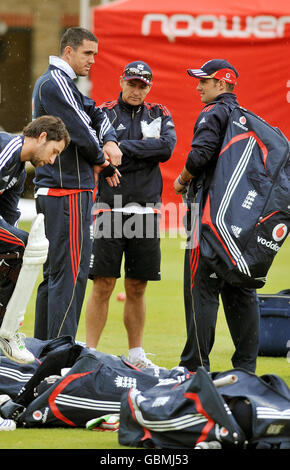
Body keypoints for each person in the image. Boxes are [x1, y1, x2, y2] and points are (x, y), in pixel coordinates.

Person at [32, 27, 122, 340]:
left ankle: (43, 351)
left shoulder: (64, 84)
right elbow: (82, 128)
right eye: (88, 53)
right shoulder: (54, 83)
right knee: (69, 275)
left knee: (57, 276)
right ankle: (60, 355)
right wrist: (103, 159)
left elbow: (96, 112)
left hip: (64, 190)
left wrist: (109, 138)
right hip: (66, 189)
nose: (93, 60)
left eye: (95, 54)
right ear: (68, 52)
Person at [86, 60, 177, 368]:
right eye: (132, 84)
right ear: (121, 81)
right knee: (103, 283)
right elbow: (98, 150)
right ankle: (91, 352)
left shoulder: (160, 113)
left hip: (146, 209)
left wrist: (123, 149)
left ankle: (137, 355)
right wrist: (141, 150)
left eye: (143, 85)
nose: (137, 90)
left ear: (149, 87)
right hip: (109, 207)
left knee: (137, 286)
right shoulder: (104, 112)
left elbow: (166, 149)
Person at [174, 59, 260, 373]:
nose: (198, 87)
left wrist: (182, 180)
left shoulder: (213, 112)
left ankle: (194, 367)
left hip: (207, 216)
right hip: (241, 220)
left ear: (220, 84)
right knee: (241, 289)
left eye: (204, 82)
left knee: (201, 288)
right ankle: (246, 369)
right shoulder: (248, 117)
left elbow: (200, 155)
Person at [0, 115, 70, 363]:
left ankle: (5, 327)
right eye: (54, 151)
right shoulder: (6, 150)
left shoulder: (17, 173)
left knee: (21, 248)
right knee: (25, 244)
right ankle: (6, 331)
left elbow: (8, 220)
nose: (52, 160)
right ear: (42, 137)